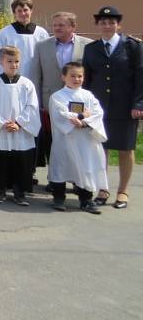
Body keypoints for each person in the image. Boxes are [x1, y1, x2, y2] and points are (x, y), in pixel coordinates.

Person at [82, 6, 143, 209]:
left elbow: (140, 78)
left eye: (111, 22)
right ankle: (103, 189)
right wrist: (85, 107)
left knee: (126, 149)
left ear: (119, 25)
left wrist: (138, 104)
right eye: (103, 22)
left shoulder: (133, 46)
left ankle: (123, 191)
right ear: (98, 25)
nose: (107, 26)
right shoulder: (91, 49)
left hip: (125, 107)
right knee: (101, 150)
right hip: (99, 109)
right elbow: (86, 81)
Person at [27, 11, 91, 184]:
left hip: (77, 102)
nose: (56, 28)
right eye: (55, 25)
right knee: (53, 142)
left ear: (73, 27)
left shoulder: (87, 46)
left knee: (76, 141)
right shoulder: (42, 45)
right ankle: (55, 180)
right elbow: (36, 75)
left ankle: (77, 180)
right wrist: (37, 102)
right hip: (51, 103)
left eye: (61, 25)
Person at [0, 47, 41, 206]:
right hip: (0, 130)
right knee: (0, 160)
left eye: (16, 62)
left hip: (20, 132)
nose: (13, 65)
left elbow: (32, 107)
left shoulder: (27, 84)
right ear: (1, 62)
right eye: (9, 61)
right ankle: (0, 190)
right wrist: (1, 121)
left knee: (20, 162)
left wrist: (19, 123)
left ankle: (19, 192)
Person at [48, 62, 108, 214]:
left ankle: (86, 199)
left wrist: (84, 123)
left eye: (80, 76)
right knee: (62, 166)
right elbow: (62, 115)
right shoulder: (57, 97)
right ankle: (59, 197)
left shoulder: (88, 96)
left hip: (85, 141)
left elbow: (97, 112)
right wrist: (82, 116)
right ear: (63, 77)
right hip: (65, 139)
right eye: (72, 76)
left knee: (85, 167)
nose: (76, 79)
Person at [0, 0, 49, 78]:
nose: (23, 13)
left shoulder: (41, 33)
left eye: (25, 10)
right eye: (19, 11)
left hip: (35, 78)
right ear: (14, 13)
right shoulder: (5, 33)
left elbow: (46, 58)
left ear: (31, 11)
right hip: (12, 78)